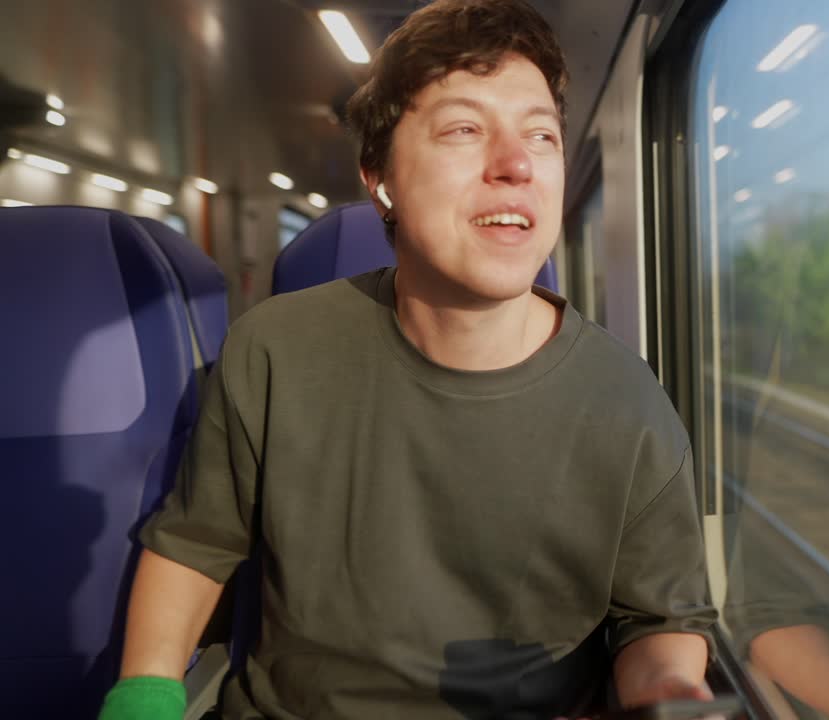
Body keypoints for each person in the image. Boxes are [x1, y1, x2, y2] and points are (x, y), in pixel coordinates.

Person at [97, 1, 715, 718]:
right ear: (380, 179)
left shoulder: (628, 403)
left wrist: (670, 690)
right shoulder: (275, 352)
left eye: (541, 134)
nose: (516, 164)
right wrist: (143, 697)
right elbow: (195, 545)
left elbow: (660, 620)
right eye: (464, 129)